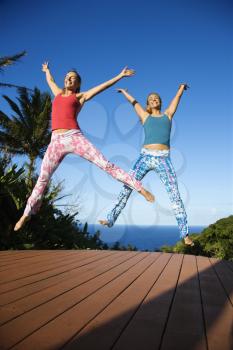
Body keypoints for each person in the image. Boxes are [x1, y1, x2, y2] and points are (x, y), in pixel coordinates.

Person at [14, 63, 154, 231]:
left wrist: (120, 76)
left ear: (78, 84)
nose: (69, 79)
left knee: (105, 164)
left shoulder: (80, 97)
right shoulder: (58, 93)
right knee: (43, 178)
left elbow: (102, 87)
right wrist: (47, 70)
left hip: (74, 137)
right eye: (67, 77)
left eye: (73, 78)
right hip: (56, 141)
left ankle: (139, 188)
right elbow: (50, 80)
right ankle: (26, 214)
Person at [99, 85, 194, 246]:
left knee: (174, 194)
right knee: (127, 185)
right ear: (148, 105)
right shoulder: (145, 117)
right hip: (144, 156)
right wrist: (125, 92)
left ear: (160, 102)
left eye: (156, 98)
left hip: (164, 159)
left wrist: (180, 89)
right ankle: (110, 219)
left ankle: (184, 234)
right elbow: (134, 103)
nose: (154, 100)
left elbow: (175, 101)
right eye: (150, 99)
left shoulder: (168, 116)